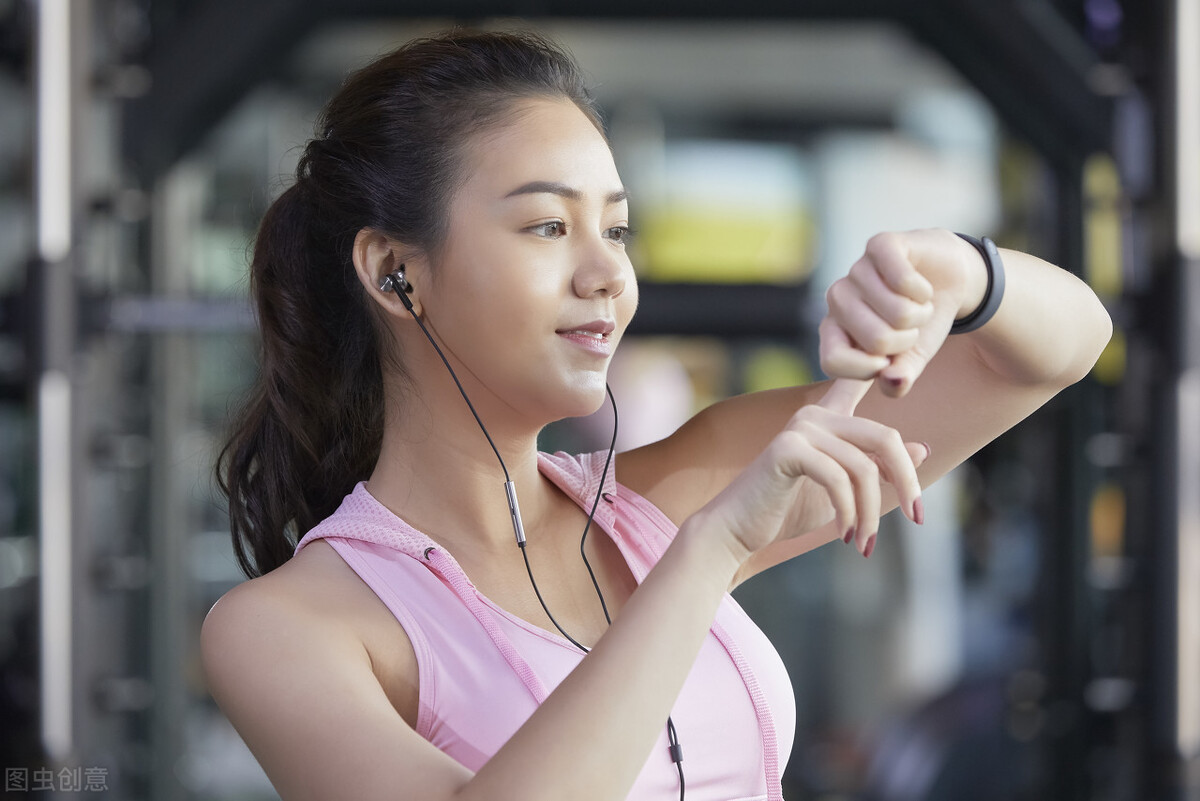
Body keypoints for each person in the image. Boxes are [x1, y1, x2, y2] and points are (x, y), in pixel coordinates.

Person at [200, 29, 1112, 801]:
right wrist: (708, 552)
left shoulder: (657, 499)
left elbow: (1059, 347)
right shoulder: (288, 627)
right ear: (394, 270)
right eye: (549, 226)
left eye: (616, 229)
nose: (609, 273)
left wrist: (963, 271)